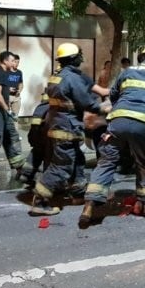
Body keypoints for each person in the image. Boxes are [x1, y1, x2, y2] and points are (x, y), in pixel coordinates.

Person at [78, 47, 145, 228]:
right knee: (144, 163)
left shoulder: (128, 72)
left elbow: (114, 95)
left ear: (141, 59)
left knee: (106, 162)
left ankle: (89, 206)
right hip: (143, 125)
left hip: (117, 122)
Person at [29, 43, 110, 215]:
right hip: (67, 127)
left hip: (58, 124)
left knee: (77, 160)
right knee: (62, 165)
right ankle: (40, 200)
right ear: (75, 58)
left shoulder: (59, 75)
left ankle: (78, 193)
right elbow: (86, 101)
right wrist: (103, 109)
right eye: (79, 56)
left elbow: (90, 86)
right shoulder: (72, 79)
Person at [16, 91, 50, 188]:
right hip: (46, 138)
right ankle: (48, 183)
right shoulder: (52, 108)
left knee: (36, 153)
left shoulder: (39, 107)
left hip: (35, 137)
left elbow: (34, 127)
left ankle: (26, 174)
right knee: (49, 156)